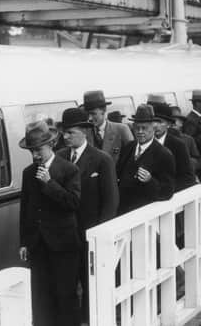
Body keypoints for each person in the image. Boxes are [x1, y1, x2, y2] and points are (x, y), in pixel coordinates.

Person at [56, 108, 117, 322]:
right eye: (63, 132)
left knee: (92, 282)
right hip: (65, 234)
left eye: (70, 132)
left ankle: (92, 319)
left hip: (90, 234)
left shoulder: (102, 160)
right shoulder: (59, 158)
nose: (65, 137)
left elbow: (110, 202)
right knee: (66, 283)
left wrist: (101, 236)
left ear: (84, 131)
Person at [19, 120, 81, 326]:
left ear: (51, 145)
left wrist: (50, 183)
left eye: (38, 150)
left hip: (63, 245)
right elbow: (26, 210)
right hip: (38, 245)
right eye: (32, 151)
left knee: (65, 295)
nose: (35, 156)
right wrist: (24, 242)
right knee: (40, 296)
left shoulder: (69, 170)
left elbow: (73, 203)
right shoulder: (28, 173)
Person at [116, 104, 176, 215]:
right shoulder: (128, 147)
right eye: (137, 128)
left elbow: (168, 192)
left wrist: (150, 181)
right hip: (123, 211)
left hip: (145, 214)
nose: (140, 131)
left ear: (153, 128)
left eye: (144, 128)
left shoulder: (164, 154)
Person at [82, 90, 134, 164]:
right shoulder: (85, 133)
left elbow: (132, 158)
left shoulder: (122, 130)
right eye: (88, 114)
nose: (90, 118)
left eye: (93, 114)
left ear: (103, 111)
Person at [152, 103, 195, 192]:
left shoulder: (178, 145)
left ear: (168, 124)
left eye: (160, 121)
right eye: (153, 121)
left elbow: (188, 178)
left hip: (171, 195)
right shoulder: (142, 144)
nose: (155, 125)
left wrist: (165, 190)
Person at [170, 106, 201, 179]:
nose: (173, 122)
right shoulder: (160, 140)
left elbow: (199, 162)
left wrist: (188, 162)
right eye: (171, 120)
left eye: (176, 120)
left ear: (181, 123)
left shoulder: (188, 139)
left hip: (186, 178)